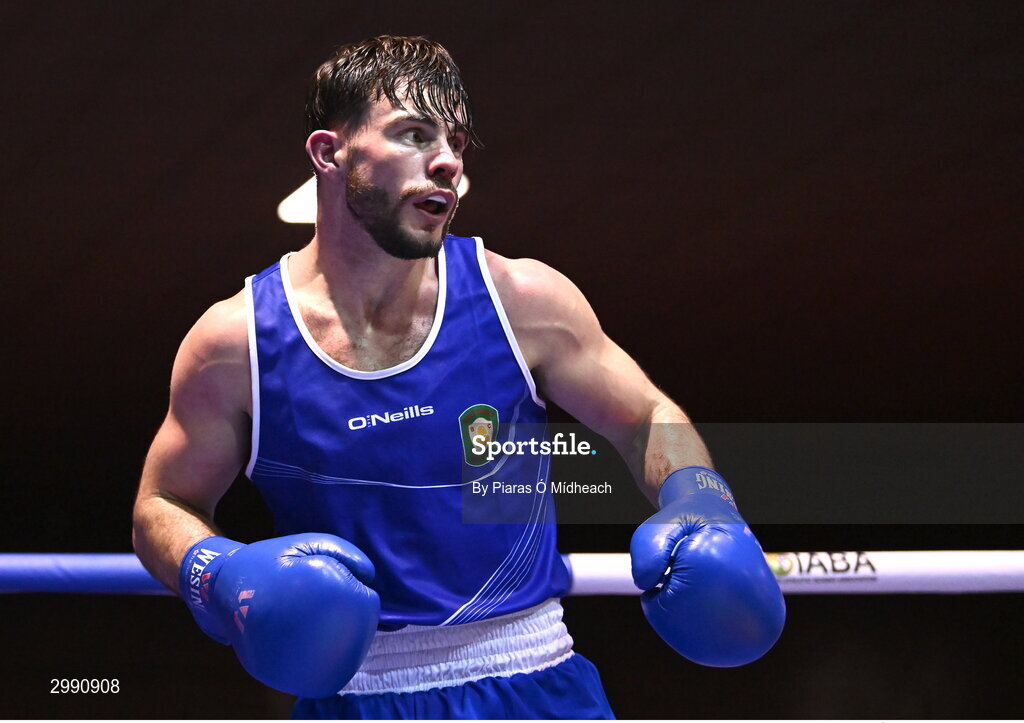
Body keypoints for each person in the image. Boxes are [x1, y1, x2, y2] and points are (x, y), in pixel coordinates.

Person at [132, 35, 785, 719]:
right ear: (329, 153)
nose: (447, 160)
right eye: (415, 134)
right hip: (355, 697)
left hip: (535, 683)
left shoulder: (521, 300)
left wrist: (699, 496)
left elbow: (647, 416)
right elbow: (162, 503)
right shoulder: (236, 342)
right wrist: (220, 575)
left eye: (456, 141)